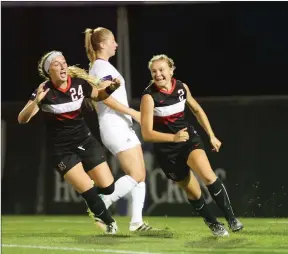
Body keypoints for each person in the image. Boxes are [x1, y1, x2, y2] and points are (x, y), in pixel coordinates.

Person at [17, 50, 122, 234]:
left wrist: (111, 88)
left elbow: (98, 95)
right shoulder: (44, 90)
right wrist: (37, 102)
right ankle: (107, 221)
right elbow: (22, 119)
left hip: (85, 140)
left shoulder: (79, 84)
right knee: (88, 190)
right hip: (61, 149)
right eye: (57, 64)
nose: (63, 66)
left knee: (108, 187)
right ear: (50, 71)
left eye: (64, 62)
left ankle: (94, 203)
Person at [139, 54, 243, 237]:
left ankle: (232, 219)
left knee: (208, 175)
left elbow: (196, 109)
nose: (158, 74)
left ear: (171, 70)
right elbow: (146, 134)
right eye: (154, 71)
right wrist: (173, 138)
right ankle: (213, 223)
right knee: (194, 193)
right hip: (167, 150)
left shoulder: (181, 87)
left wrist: (211, 135)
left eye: (162, 70)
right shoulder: (149, 97)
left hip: (188, 140)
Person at [84, 27, 152, 232]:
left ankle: (136, 222)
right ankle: (100, 205)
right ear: (102, 44)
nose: (116, 44)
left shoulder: (103, 66)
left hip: (121, 125)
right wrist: (133, 112)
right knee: (136, 173)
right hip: (114, 125)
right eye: (113, 40)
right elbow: (105, 97)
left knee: (141, 174)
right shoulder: (100, 67)